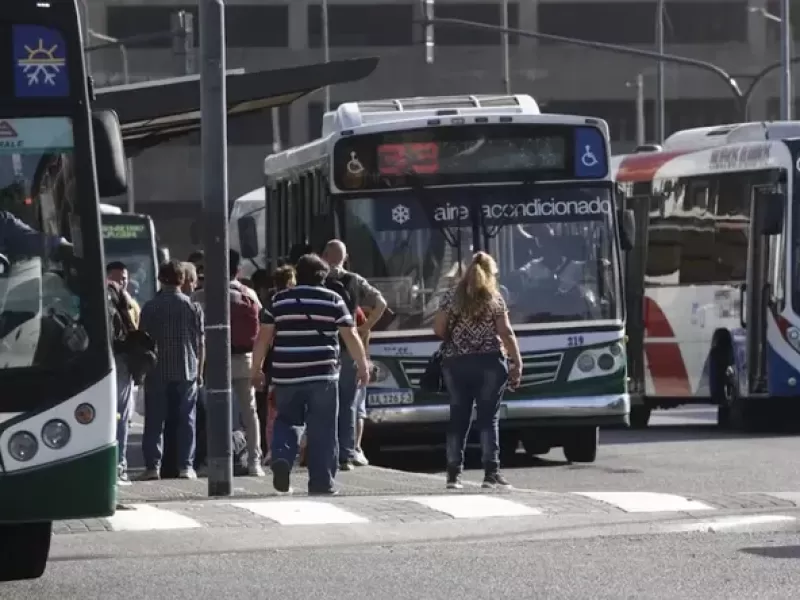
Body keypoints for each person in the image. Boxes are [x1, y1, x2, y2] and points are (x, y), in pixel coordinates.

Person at [250, 253, 370, 495]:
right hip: (323, 375)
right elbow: (351, 335)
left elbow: (263, 337)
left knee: (287, 419)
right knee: (324, 429)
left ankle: (282, 456)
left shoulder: (278, 299)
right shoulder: (333, 299)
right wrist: (363, 365)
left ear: (298, 274)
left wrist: (256, 369)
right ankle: (322, 483)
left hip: (286, 374)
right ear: (323, 277)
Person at [433, 251, 522, 490]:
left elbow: (439, 329)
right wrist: (517, 362)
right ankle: (490, 475)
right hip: (490, 364)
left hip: (456, 363)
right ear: (491, 274)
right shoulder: (494, 298)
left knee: (458, 418)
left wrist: (460, 335)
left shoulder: (450, 297)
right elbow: (506, 332)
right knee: (488, 419)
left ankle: (453, 476)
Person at [192, 250, 264, 476]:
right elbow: (262, 325)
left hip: (214, 361)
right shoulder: (249, 293)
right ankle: (254, 461)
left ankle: (212, 462)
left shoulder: (202, 295)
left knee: (214, 411)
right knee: (249, 412)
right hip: (244, 359)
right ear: (238, 270)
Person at [321, 239, 387, 470]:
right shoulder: (355, 280)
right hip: (349, 345)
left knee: (323, 401)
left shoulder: (318, 279)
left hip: (324, 346)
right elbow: (381, 302)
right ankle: (346, 454)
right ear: (345, 257)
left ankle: (325, 451)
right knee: (349, 402)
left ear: (324, 255)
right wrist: (365, 327)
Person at [139, 260, 205, 480]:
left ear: (160, 279)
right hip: (187, 368)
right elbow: (200, 343)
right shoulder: (192, 307)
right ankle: (186, 466)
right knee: (187, 419)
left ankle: (152, 466)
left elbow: (142, 341)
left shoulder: (150, 307)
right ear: (183, 280)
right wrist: (200, 371)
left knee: (155, 420)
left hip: (157, 369)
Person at [106, 261, 140, 486]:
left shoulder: (128, 302)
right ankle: (120, 466)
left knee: (116, 416)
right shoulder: (124, 301)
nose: (121, 282)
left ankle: (117, 466)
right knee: (120, 416)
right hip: (120, 362)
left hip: (114, 361)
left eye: (124, 278)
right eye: (117, 278)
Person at [261, 265, 297, 465]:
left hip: (277, 365)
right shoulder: (298, 302)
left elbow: (264, 337)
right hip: (301, 364)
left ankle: (273, 451)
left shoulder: (272, 303)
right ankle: (299, 451)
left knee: (273, 412)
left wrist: (258, 367)